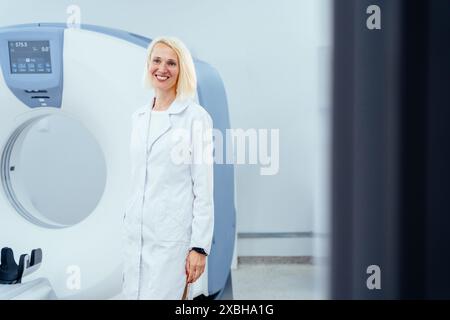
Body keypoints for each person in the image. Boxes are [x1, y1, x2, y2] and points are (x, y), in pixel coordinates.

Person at [122, 36, 214, 299]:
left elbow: (204, 188)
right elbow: (137, 179)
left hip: (172, 238)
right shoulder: (138, 118)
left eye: (171, 63)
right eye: (157, 60)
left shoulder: (195, 118)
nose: (162, 69)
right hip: (137, 234)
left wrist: (199, 247)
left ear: (181, 69)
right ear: (148, 64)